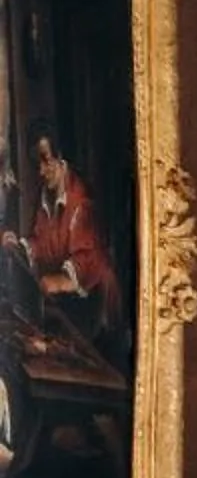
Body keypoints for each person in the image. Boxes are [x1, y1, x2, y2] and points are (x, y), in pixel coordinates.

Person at [3, 135, 118, 346]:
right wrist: (20, 246)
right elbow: (42, 240)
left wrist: (60, 281)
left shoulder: (81, 200)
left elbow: (91, 257)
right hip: (66, 304)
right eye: (36, 164)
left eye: (46, 160)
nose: (41, 171)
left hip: (93, 302)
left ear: (60, 156)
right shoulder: (47, 194)